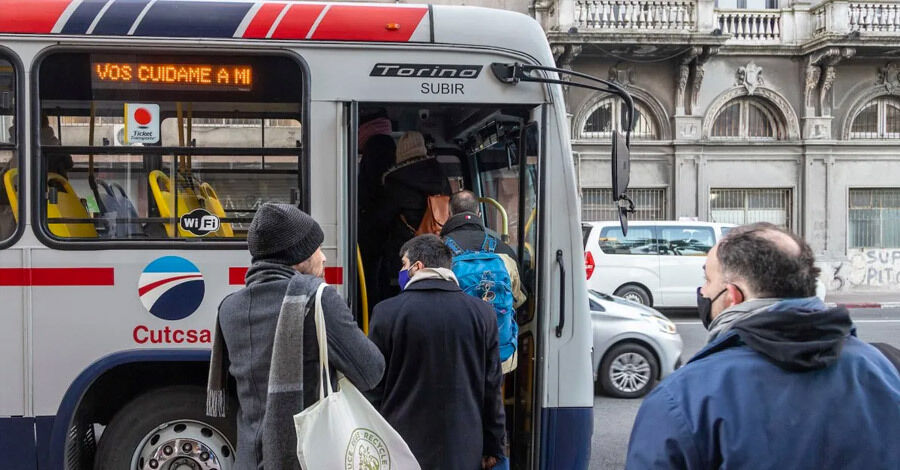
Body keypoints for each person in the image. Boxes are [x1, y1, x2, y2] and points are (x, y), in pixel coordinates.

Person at [625, 222, 900, 469]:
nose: (704, 292)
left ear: (733, 295)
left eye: (708, 280)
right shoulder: (888, 370)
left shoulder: (683, 398)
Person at [206, 203, 385, 470]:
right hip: (305, 457)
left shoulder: (229, 308)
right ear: (299, 257)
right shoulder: (317, 299)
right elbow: (372, 370)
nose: (324, 258)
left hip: (249, 460)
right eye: (317, 249)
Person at [368, 234, 506, 470]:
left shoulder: (386, 313)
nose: (402, 271)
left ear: (417, 266)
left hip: (402, 447)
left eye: (404, 264)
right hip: (463, 448)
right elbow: (491, 388)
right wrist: (494, 446)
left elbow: (374, 388)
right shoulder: (483, 314)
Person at [440, 189, 525, 373]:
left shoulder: (437, 250)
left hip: (453, 355)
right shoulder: (504, 250)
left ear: (450, 213)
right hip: (498, 355)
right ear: (478, 214)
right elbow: (519, 298)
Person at [372, 131, 451, 301]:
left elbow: (381, 221)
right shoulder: (441, 177)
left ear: (400, 153)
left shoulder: (393, 183)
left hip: (402, 254)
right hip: (437, 249)